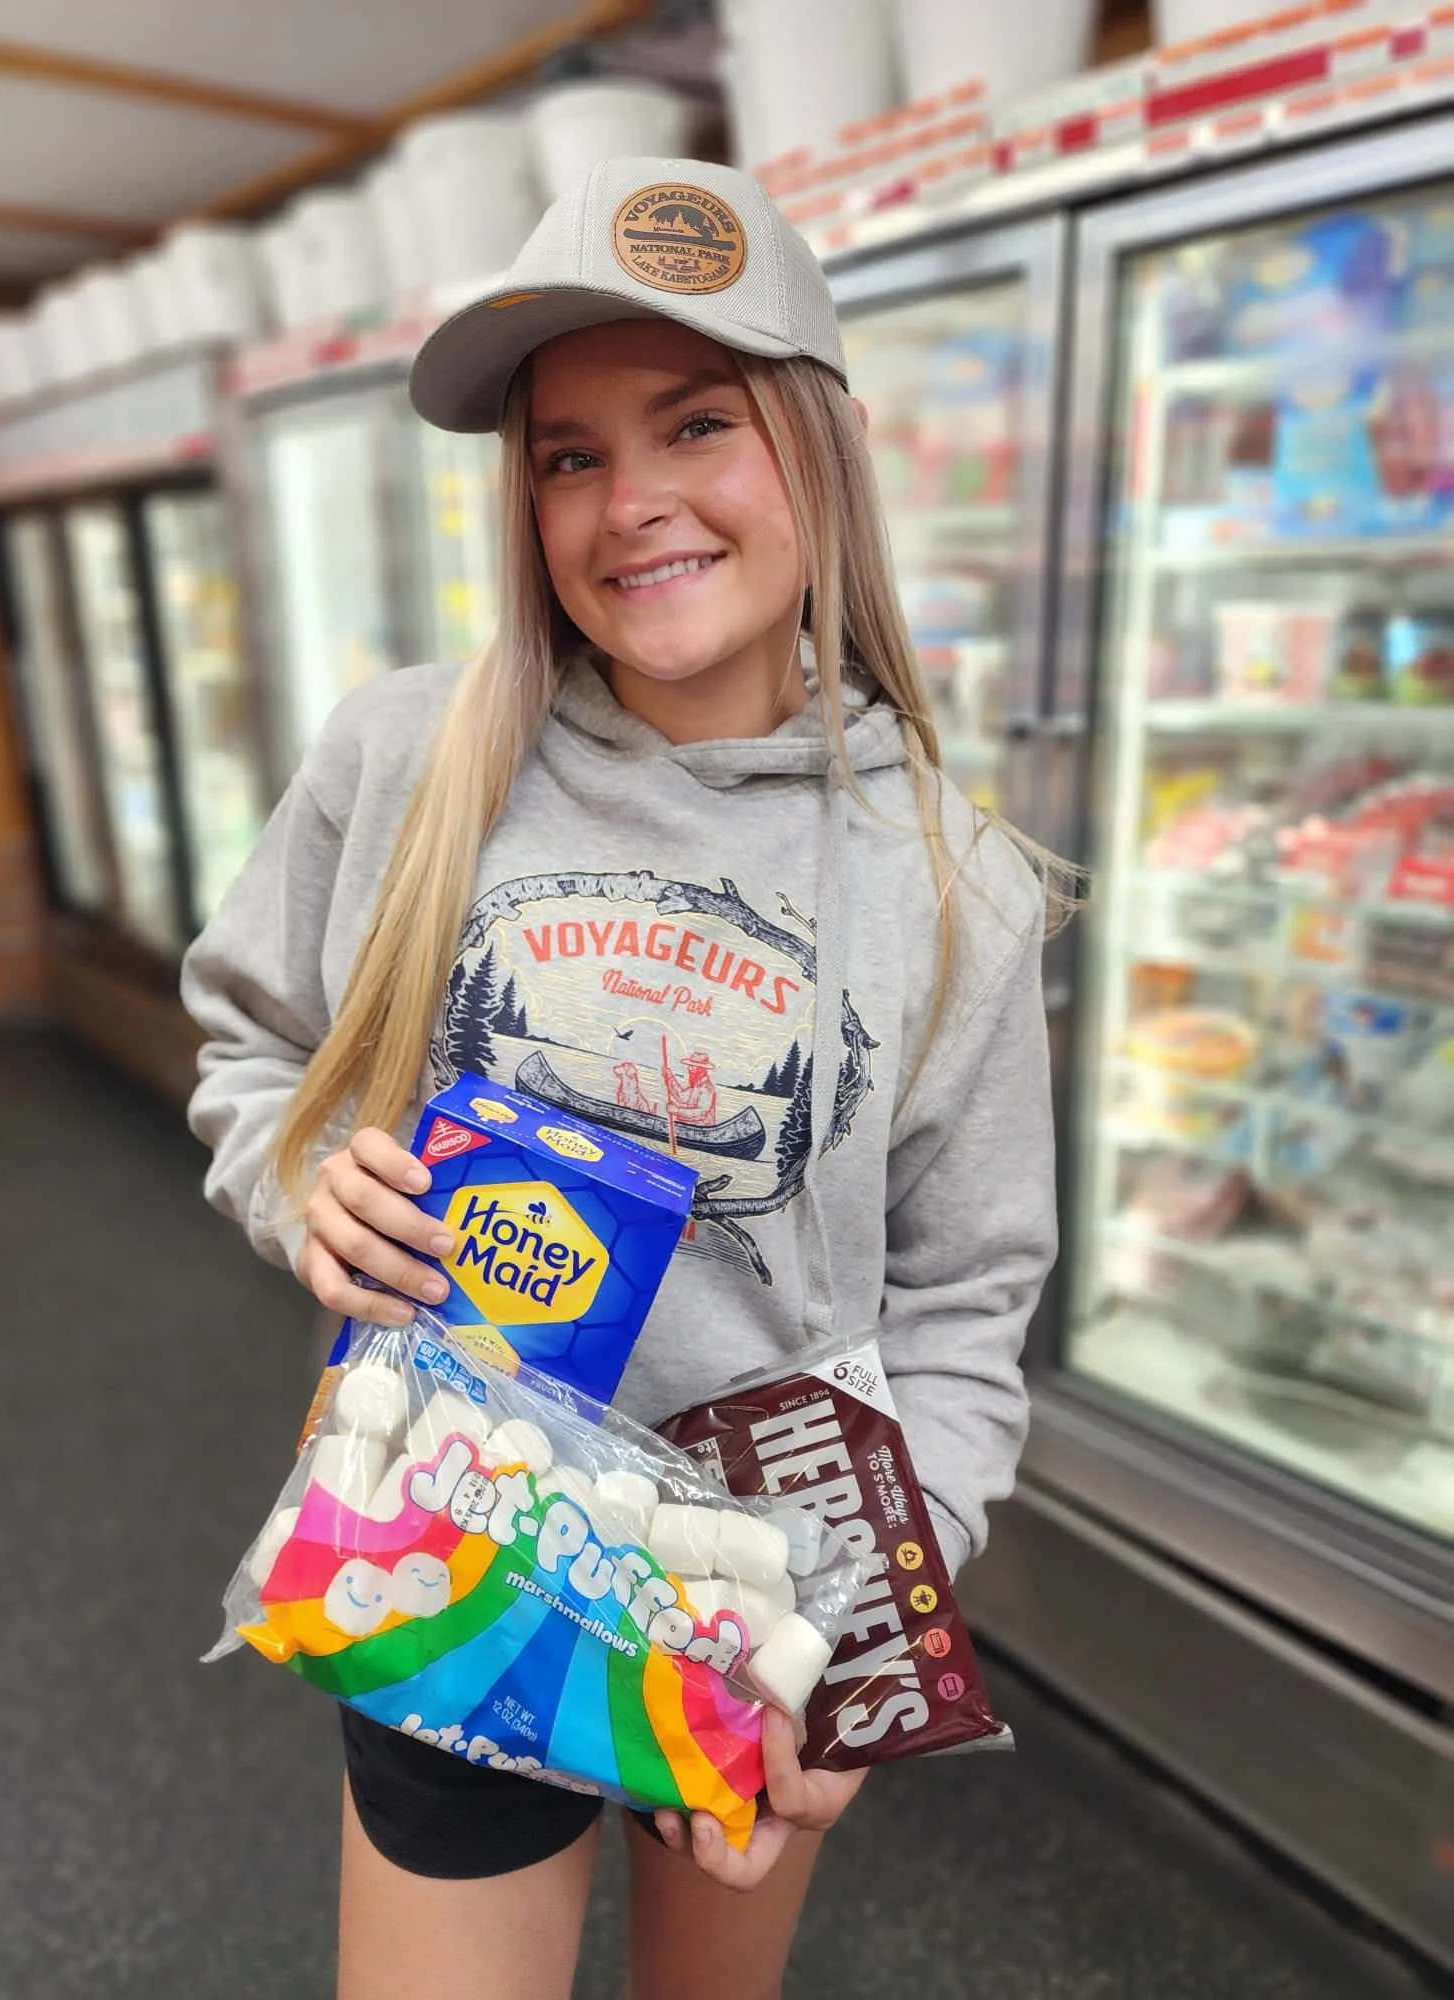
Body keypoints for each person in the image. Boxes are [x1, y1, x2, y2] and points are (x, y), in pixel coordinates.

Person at [182, 155, 1065, 2000]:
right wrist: (304, 1175)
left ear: (824, 449)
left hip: (755, 1593)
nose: (630, 500)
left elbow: (966, 1300)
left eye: (698, 424)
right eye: (569, 453)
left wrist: (863, 1630)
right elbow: (258, 1040)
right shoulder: (408, 758)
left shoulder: (953, 882)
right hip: (446, 1536)